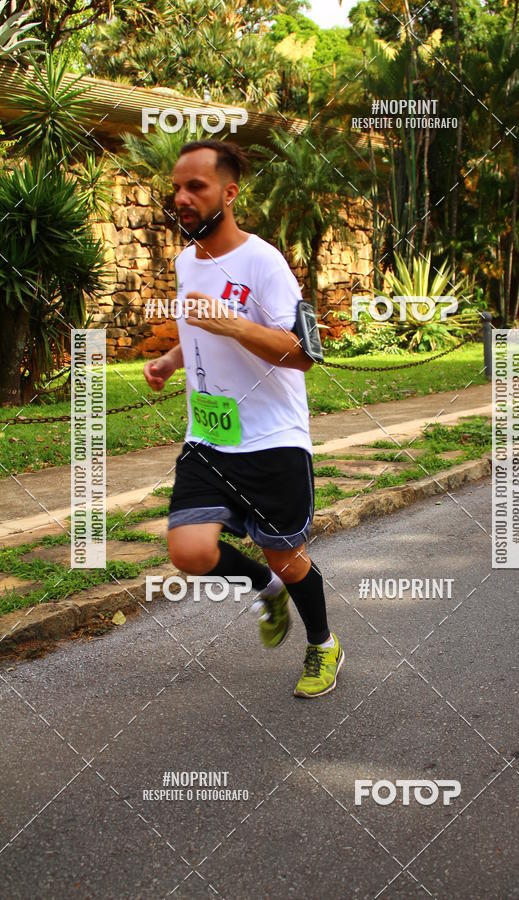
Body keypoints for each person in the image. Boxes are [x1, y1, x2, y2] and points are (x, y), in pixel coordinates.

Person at [143, 139, 344, 698]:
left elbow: (304, 353)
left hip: (272, 438)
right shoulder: (187, 261)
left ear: (229, 193)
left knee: (290, 556)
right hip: (209, 435)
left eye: (195, 187)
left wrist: (230, 323)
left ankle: (323, 645)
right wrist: (169, 358)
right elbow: (197, 329)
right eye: (177, 188)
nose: (180, 198)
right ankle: (264, 586)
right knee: (190, 551)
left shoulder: (264, 262)